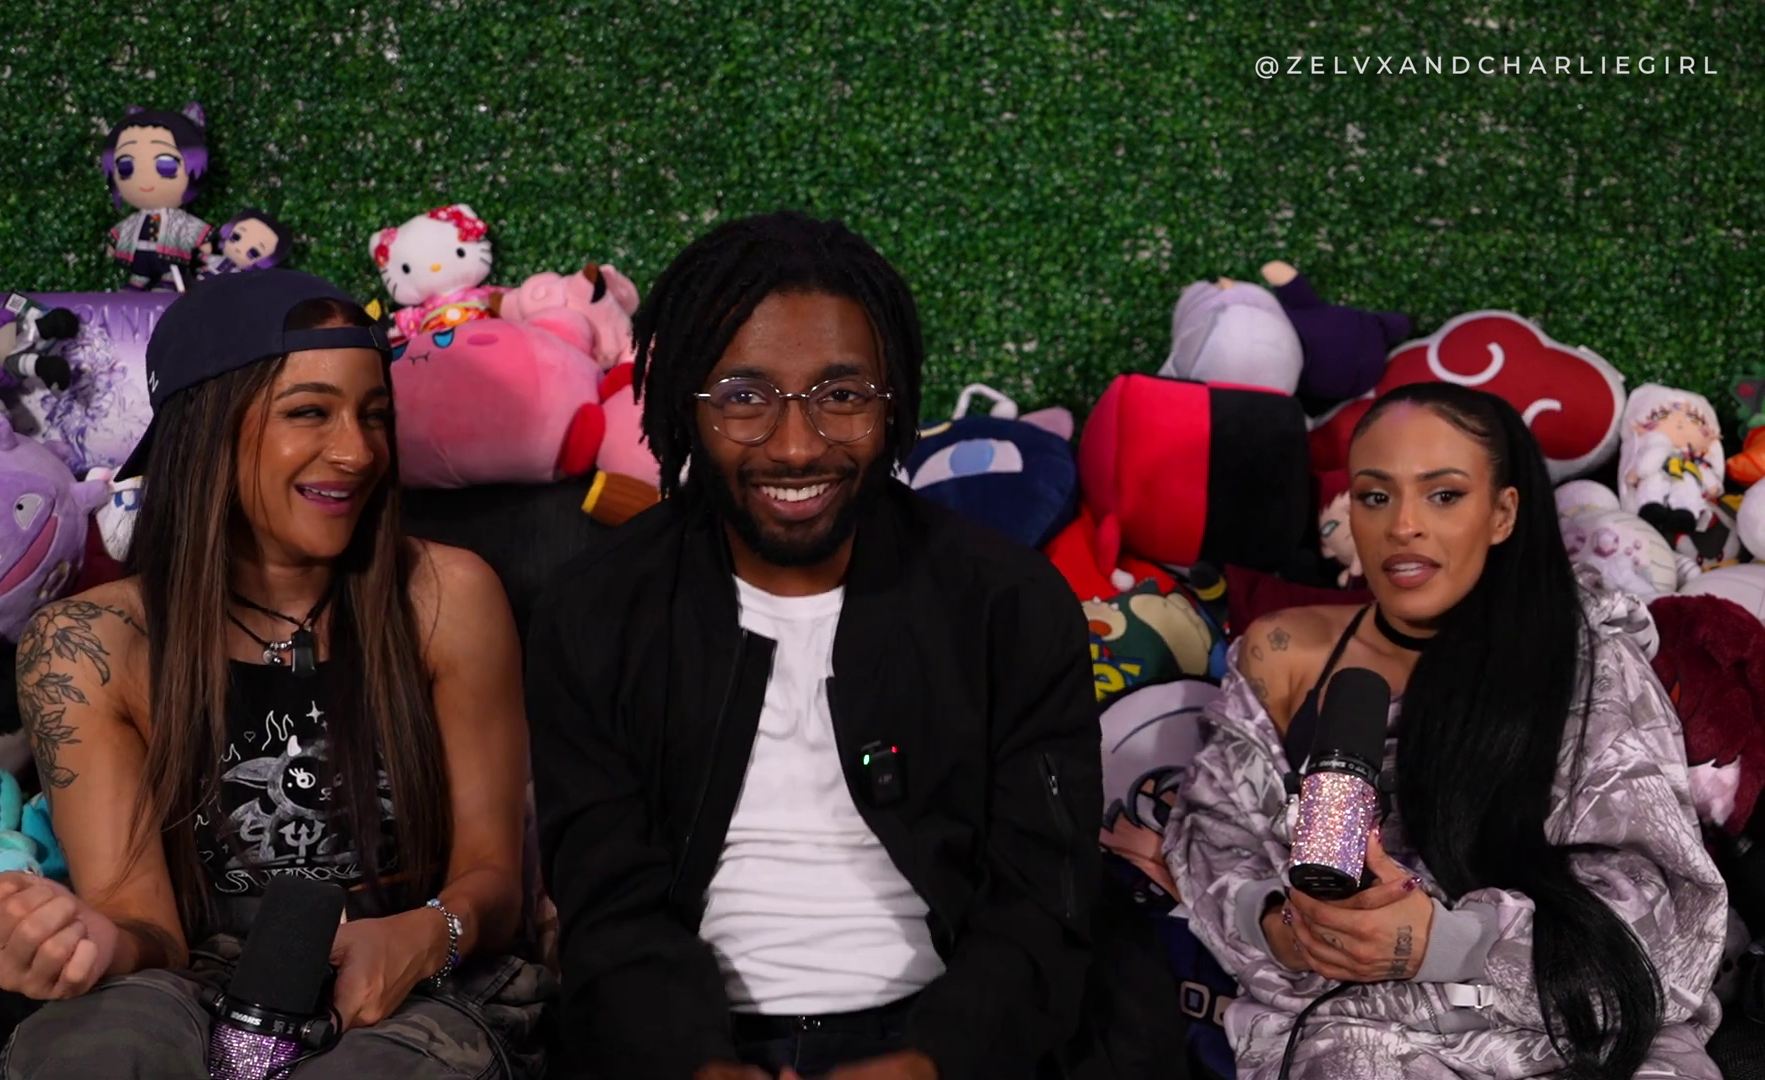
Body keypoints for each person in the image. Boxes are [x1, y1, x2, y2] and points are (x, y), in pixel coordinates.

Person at [526, 212, 1106, 1080]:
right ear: (687, 404)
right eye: (744, 397)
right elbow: (607, 908)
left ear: (893, 399)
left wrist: (932, 1063)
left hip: (947, 1048)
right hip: (683, 1049)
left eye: (841, 396)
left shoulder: (1008, 605)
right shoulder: (595, 610)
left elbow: (1044, 899)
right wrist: (700, 1068)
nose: (796, 447)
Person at [0, 270, 549, 1078]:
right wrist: (92, 940)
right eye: (310, 412)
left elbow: (492, 879)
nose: (358, 452)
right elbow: (143, 925)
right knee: (101, 1052)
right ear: (207, 427)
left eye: (374, 415)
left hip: (420, 982)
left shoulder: (447, 595)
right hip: (198, 977)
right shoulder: (87, 643)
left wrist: (430, 935)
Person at [1164, 382, 1726, 1078]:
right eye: (1376, 495)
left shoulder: (1587, 660)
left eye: (1444, 495)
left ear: (1502, 513)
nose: (1403, 525)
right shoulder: (1283, 651)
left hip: (1577, 1029)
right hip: (1358, 1032)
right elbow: (1213, 838)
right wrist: (1290, 928)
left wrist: (1445, 940)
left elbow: (1664, 914)